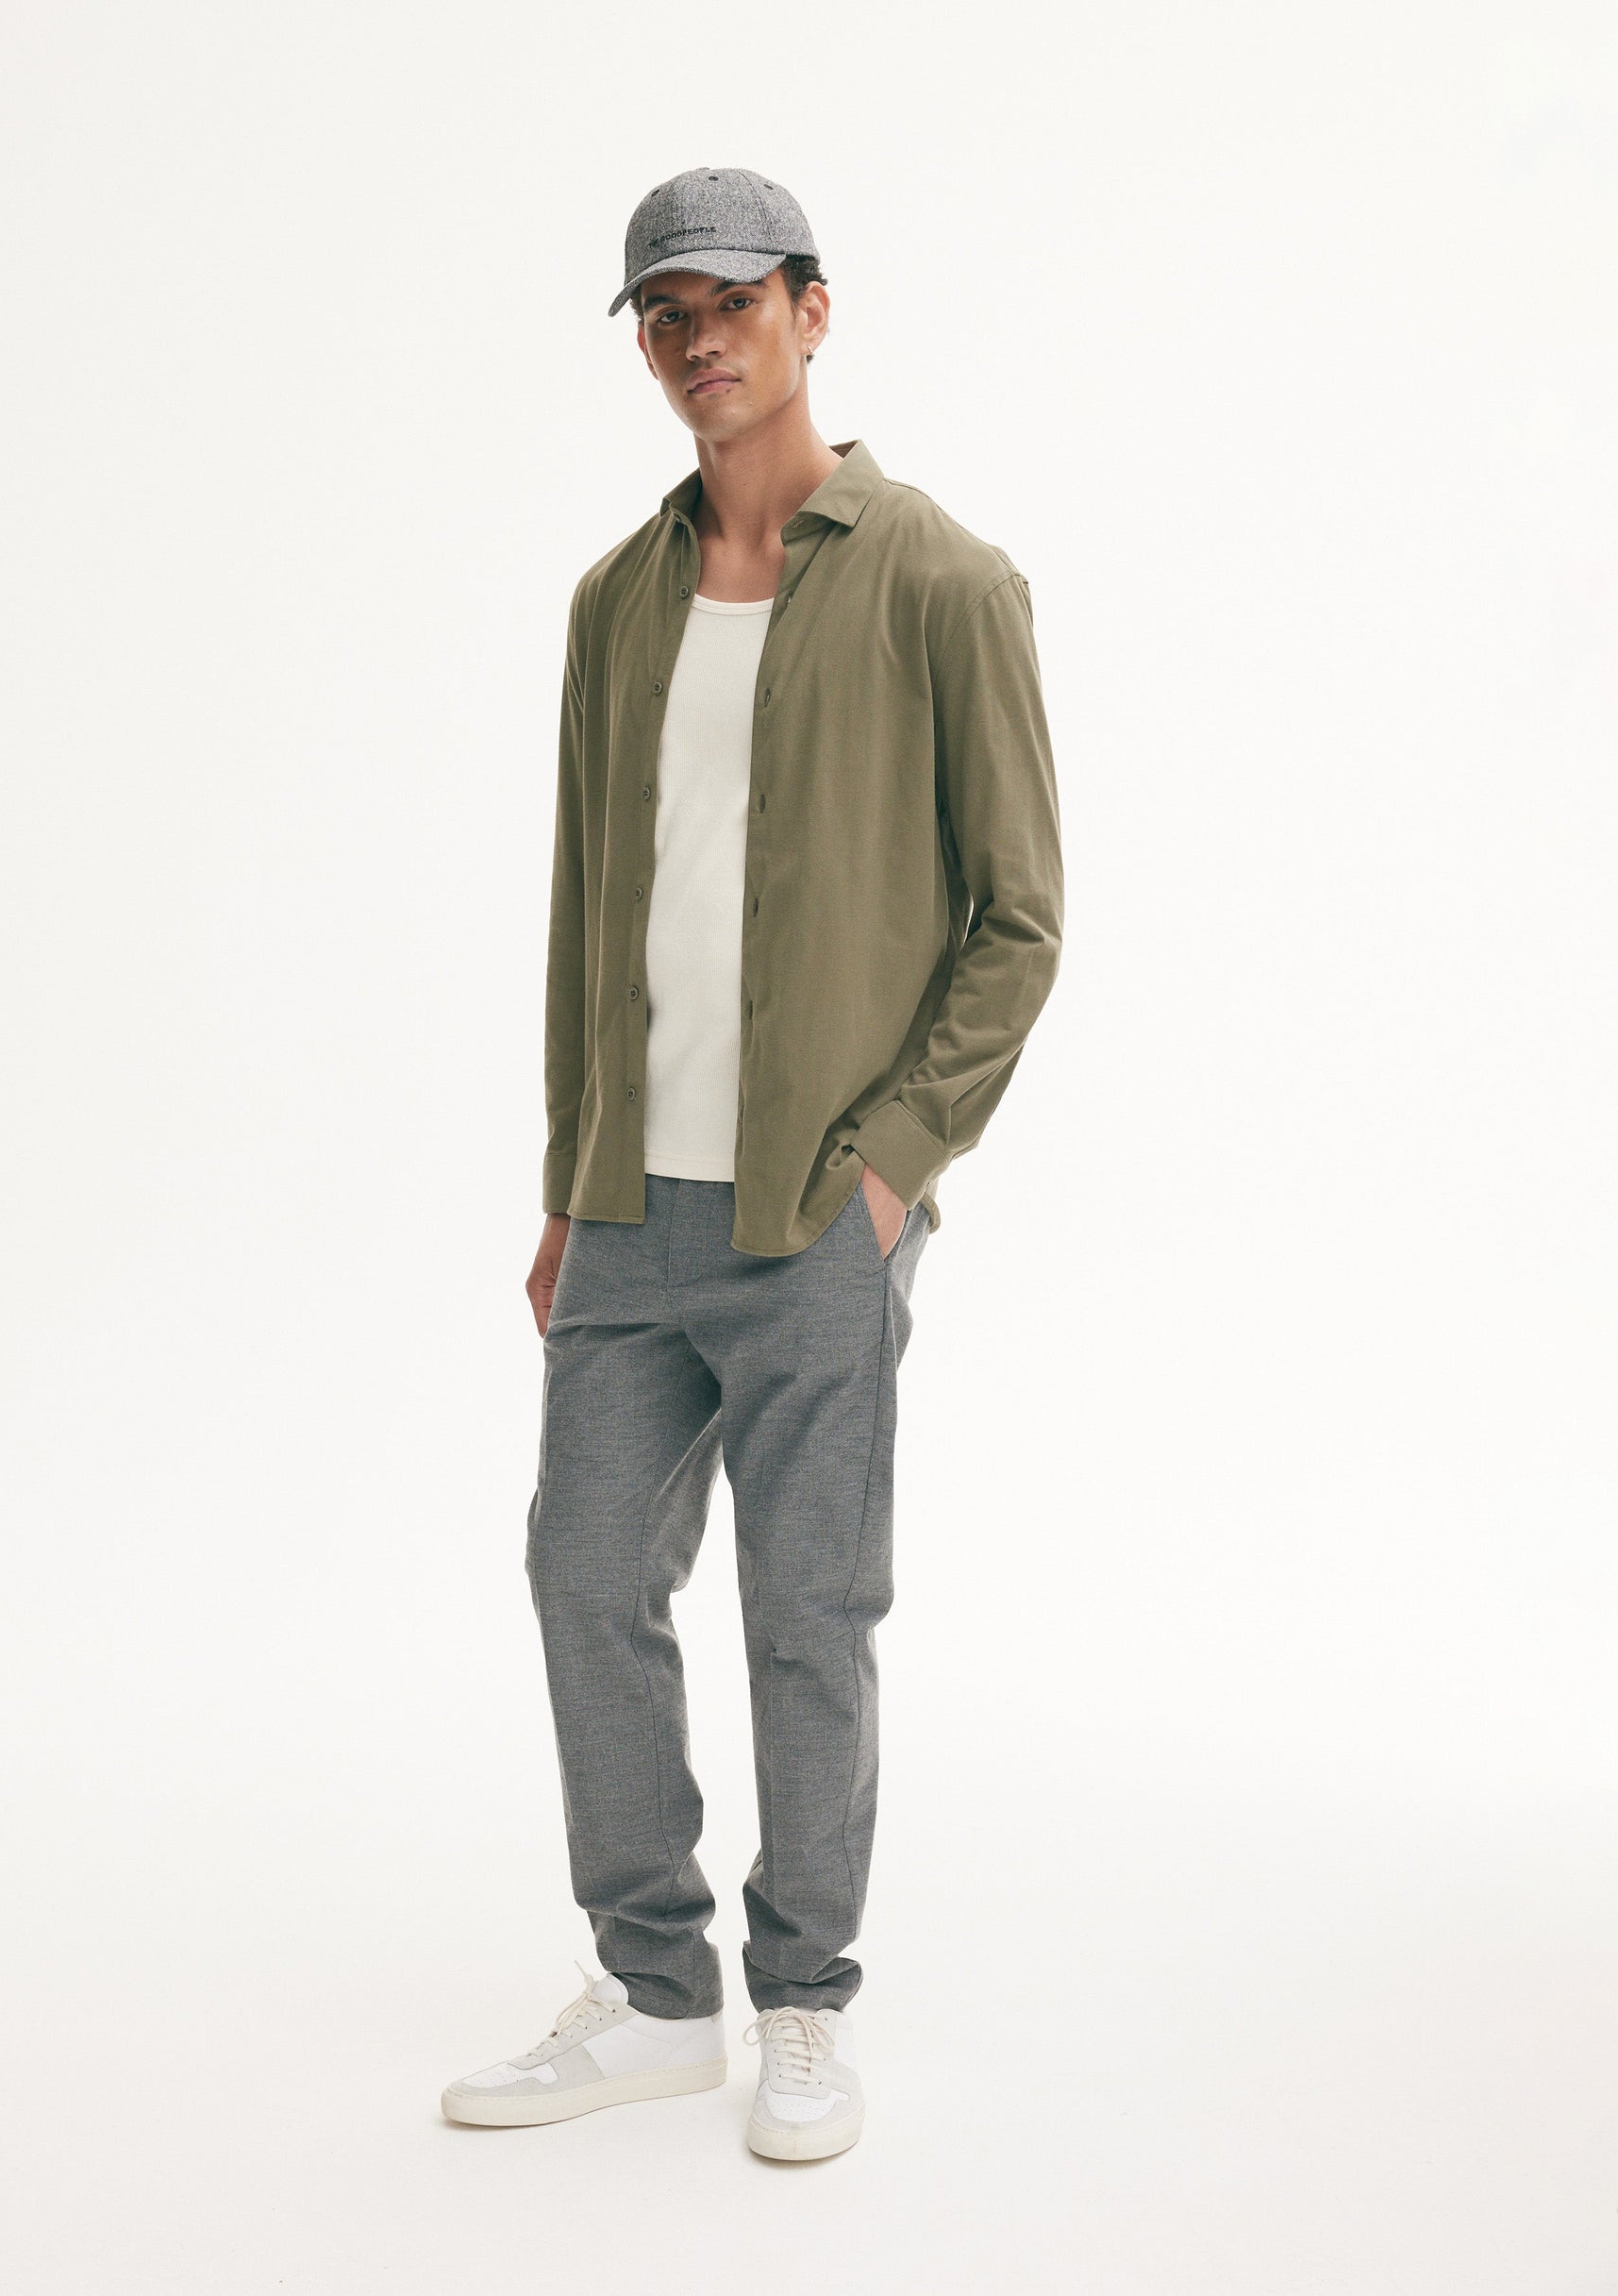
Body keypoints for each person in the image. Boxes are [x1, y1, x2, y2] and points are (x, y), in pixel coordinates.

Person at [442, 166, 1064, 2161]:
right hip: (631, 1204)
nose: (695, 340)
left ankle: (802, 1999)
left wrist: (891, 1169)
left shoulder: (941, 580)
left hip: (816, 1208)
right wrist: (570, 1181)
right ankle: (651, 1992)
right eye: (662, 314)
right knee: (581, 1571)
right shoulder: (614, 602)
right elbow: (584, 919)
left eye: (727, 301)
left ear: (810, 308)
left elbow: (1018, 921)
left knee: (807, 1611)